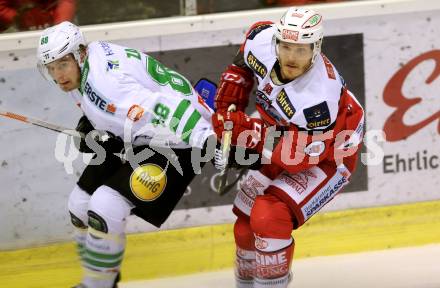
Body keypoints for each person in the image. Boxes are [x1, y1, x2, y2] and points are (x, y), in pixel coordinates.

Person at [37, 21, 216, 288]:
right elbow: (123, 107)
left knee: (105, 205)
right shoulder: (90, 60)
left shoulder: (105, 84)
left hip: (180, 141)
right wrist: (96, 129)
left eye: (62, 64)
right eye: (51, 68)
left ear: (80, 53)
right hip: (145, 134)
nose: (58, 74)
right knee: (80, 205)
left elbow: (161, 106)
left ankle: (98, 285)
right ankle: (98, 278)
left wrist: (206, 137)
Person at [212, 6, 364, 288]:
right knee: (244, 223)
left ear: (316, 48)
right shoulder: (262, 39)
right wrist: (226, 108)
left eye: (302, 50)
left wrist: (246, 133)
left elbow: (297, 159)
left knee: (269, 216)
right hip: (284, 133)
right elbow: (241, 66)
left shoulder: (319, 98)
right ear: (276, 41)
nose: (292, 57)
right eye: (286, 47)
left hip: (330, 152)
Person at [0, 0, 76, 32]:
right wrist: (15, 17)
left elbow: (65, 2)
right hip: (9, 31)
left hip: (52, 23)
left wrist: (59, 27)